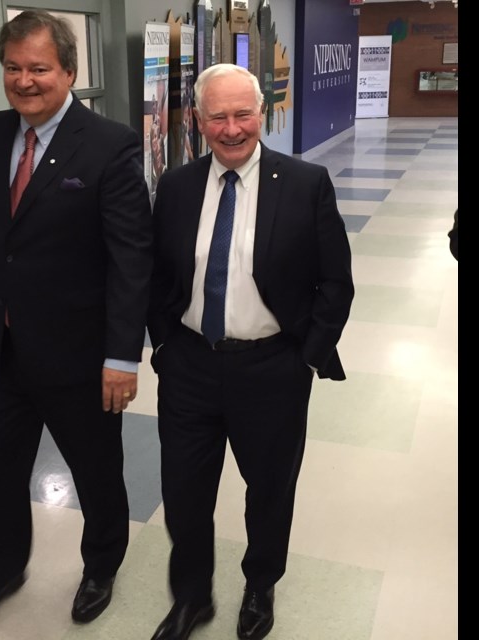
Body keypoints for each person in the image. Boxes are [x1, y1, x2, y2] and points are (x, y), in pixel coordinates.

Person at [0, 10, 154, 632]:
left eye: (39, 68)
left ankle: (100, 567)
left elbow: (130, 259)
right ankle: (1, 571)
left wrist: (122, 356)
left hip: (81, 356)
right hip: (4, 350)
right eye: (14, 68)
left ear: (68, 70)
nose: (25, 81)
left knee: (96, 471)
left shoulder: (109, 143)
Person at [146, 64, 354, 640]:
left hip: (273, 368)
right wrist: (164, 341)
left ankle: (259, 587)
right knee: (184, 494)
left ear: (262, 115)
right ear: (198, 119)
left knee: (269, 491)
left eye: (243, 114)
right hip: (189, 364)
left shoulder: (306, 182)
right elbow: (159, 273)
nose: (232, 129)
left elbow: (335, 282)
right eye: (218, 116)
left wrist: (307, 355)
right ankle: (191, 597)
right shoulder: (178, 186)